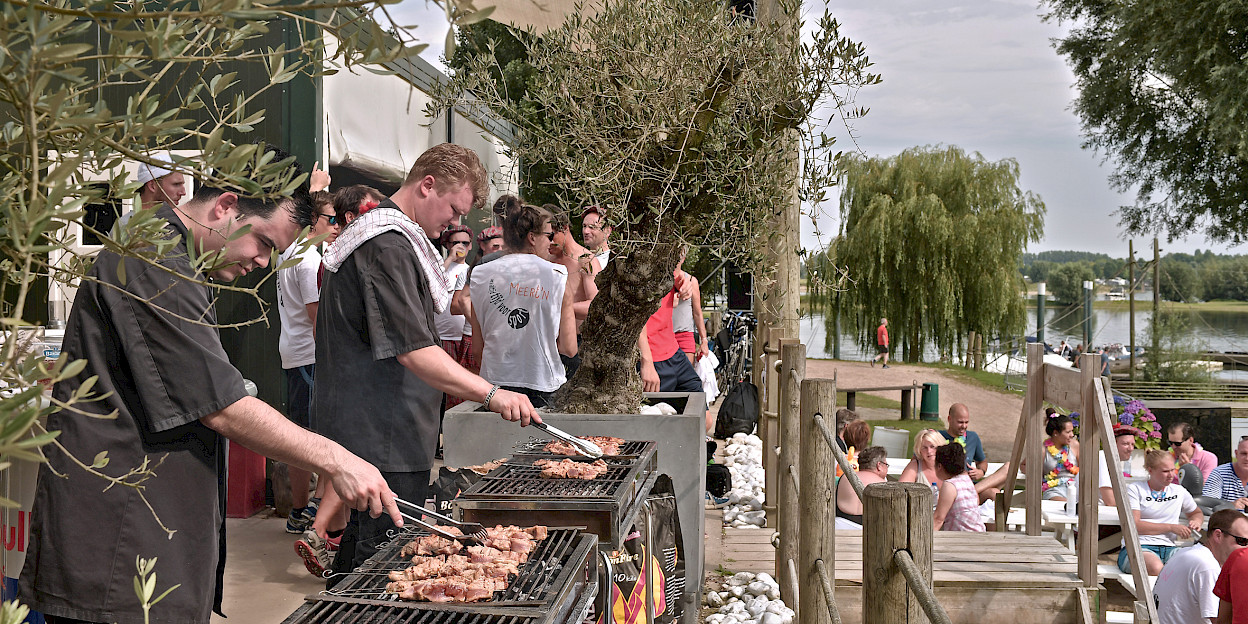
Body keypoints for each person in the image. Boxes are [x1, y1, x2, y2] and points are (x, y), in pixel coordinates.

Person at [19, 145, 401, 624]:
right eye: (263, 242)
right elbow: (222, 405)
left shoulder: (181, 259)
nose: (263, 262)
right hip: (119, 546)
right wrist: (337, 459)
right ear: (225, 206)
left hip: (152, 531)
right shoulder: (151, 259)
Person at [316, 142, 542, 582]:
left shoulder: (393, 238)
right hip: (384, 435)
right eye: (454, 210)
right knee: (382, 573)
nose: (454, 224)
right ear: (427, 185)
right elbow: (414, 350)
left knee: (361, 565)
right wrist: (492, 394)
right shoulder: (387, 246)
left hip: (386, 433)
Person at [468, 203, 578, 408]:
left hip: (495, 385)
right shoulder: (557, 275)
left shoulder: (480, 273)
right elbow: (569, 348)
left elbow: (477, 349)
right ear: (532, 237)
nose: (551, 242)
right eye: (549, 235)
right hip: (543, 383)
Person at [276, 190, 338, 536]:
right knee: (320, 435)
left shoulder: (291, 252)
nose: (337, 226)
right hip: (309, 357)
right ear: (313, 220)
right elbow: (318, 321)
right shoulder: (310, 260)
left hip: (294, 354)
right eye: (332, 219)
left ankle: (302, 510)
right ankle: (310, 509)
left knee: (302, 432)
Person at [1154, 509, 1248, 624]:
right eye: (1242, 541)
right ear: (1218, 535)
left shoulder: (1186, 552)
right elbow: (1219, 621)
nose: (1246, 549)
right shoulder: (1207, 566)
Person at [1120, 449, 1203, 575]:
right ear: (1150, 470)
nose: (1171, 475)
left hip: (1170, 548)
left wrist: (1196, 521)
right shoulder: (1135, 489)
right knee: (1157, 568)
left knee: (1195, 565)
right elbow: (1134, 525)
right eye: (1165, 471)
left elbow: (1196, 513)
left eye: (1172, 470)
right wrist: (1171, 527)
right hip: (1139, 546)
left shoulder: (1179, 491)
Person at [638, 267, 704, 394]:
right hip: (649, 357)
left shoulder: (669, 265)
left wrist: (684, 283)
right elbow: (634, 316)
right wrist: (646, 362)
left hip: (674, 353)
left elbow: (677, 274)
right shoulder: (637, 267)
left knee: (698, 400)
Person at [435, 223, 476, 405]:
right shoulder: (440, 267)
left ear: (471, 246)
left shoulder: (472, 271)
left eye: (465, 243)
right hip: (442, 337)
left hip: (464, 338)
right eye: (455, 243)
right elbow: (431, 282)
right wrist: (450, 258)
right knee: (441, 388)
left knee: (461, 390)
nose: (461, 247)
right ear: (447, 245)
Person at [938, 403, 1010, 501]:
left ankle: (972, 492)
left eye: (966, 422)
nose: (964, 426)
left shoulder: (973, 437)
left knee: (996, 489)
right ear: (949, 419)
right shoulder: (938, 437)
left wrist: (981, 471)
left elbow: (982, 462)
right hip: (948, 489)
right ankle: (970, 493)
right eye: (960, 422)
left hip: (970, 486)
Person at [933, 443, 986, 532]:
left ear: (939, 466)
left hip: (961, 536)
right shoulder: (966, 479)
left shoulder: (949, 485)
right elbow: (976, 501)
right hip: (979, 532)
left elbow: (938, 519)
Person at [835, 446, 889, 527]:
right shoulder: (883, 484)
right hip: (867, 528)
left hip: (838, 524)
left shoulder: (845, 477)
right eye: (886, 465)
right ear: (879, 465)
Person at [672, 257, 709, 366]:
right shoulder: (659, 282)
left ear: (683, 258)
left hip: (684, 335)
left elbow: (697, 313)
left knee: (687, 374)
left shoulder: (692, 281)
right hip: (663, 336)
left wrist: (704, 340)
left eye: (680, 255)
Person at [1038, 413, 1079, 501]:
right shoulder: (1043, 449)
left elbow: (1085, 469)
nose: (1072, 435)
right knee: (1069, 504)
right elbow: (1025, 465)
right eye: (1068, 432)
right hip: (1054, 490)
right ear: (1056, 433)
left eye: (1072, 431)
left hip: (1075, 487)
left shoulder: (1075, 445)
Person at [1169, 421, 1218, 493]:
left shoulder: (1209, 458)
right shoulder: (1166, 457)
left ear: (1190, 440)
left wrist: (1188, 470)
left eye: (1177, 444)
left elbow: (1205, 487)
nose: (1173, 447)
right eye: (1170, 443)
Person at [1202, 437, 1248, 512]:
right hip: (1226, 518)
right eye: (1244, 454)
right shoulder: (1219, 473)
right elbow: (1207, 505)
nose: (1247, 458)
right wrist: (1231, 506)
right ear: (1236, 454)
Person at [900, 429, 948, 500]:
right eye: (924, 448)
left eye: (932, 446)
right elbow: (900, 491)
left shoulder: (950, 465)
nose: (929, 451)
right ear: (919, 451)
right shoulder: (915, 466)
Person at [1099, 424, 1138, 506]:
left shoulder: (1112, 460)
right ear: (1113, 444)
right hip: (1099, 511)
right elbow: (1110, 501)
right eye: (1125, 444)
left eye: (1132, 444)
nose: (1130, 449)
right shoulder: (1103, 458)